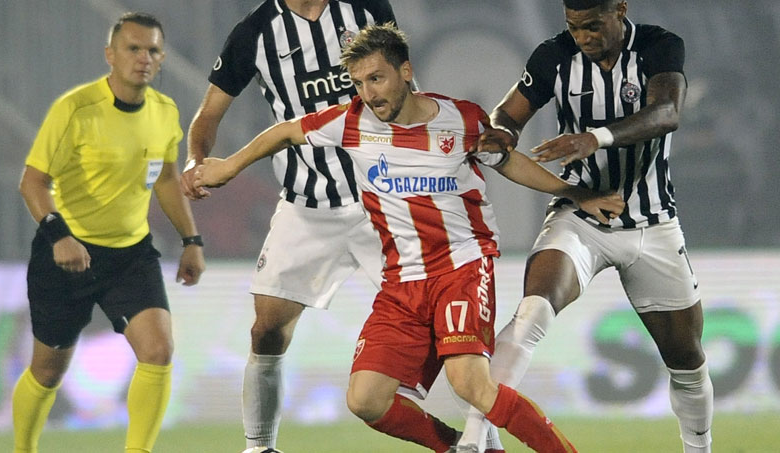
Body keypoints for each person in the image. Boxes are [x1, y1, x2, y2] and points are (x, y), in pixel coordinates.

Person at [193, 23, 625, 452]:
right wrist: (229, 165)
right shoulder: (350, 122)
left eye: (376, 78)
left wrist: (575, 193)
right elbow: (286, 130)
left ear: (405, 71)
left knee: (470, 383)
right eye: (359, 83)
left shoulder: (462, 119)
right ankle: (460, 447)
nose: (369, 93)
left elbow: (509, 163)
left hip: (462, 266)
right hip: (402, 281)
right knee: (366, 400)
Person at [181, 0, 496, 452]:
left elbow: (403, 85)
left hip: (386, 202)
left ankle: (480, 438)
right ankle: (260, 447)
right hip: (307, 205)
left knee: (452, 331)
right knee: (267, 330)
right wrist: (196, 160)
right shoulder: (254, 32)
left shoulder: (368, 7)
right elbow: (207, 117)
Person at [457, 0, 714, 453]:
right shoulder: (554, 57)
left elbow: (667, 113)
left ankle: (699, 449)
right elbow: (506, 115)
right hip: (581, 215)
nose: (583, 37)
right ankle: (475, 438)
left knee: (687, 358)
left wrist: (592, 138)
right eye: (575, 26)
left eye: (593, 25)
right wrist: (500, 138)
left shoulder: (660, 46)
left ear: (620, 10)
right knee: (534, 308)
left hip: (653, 222)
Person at [12, 12, 206, 453]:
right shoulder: (75, 109)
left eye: (153, 50)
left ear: (162, 58)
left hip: (130, 256)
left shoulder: (164, 111)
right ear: (110, 55)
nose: (144, 58)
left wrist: (191, 240)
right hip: (65, 253)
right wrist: (59, 236)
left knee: (158, 351)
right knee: (47, 372)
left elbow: (167, 179)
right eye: (133, 49)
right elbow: (32, 181)